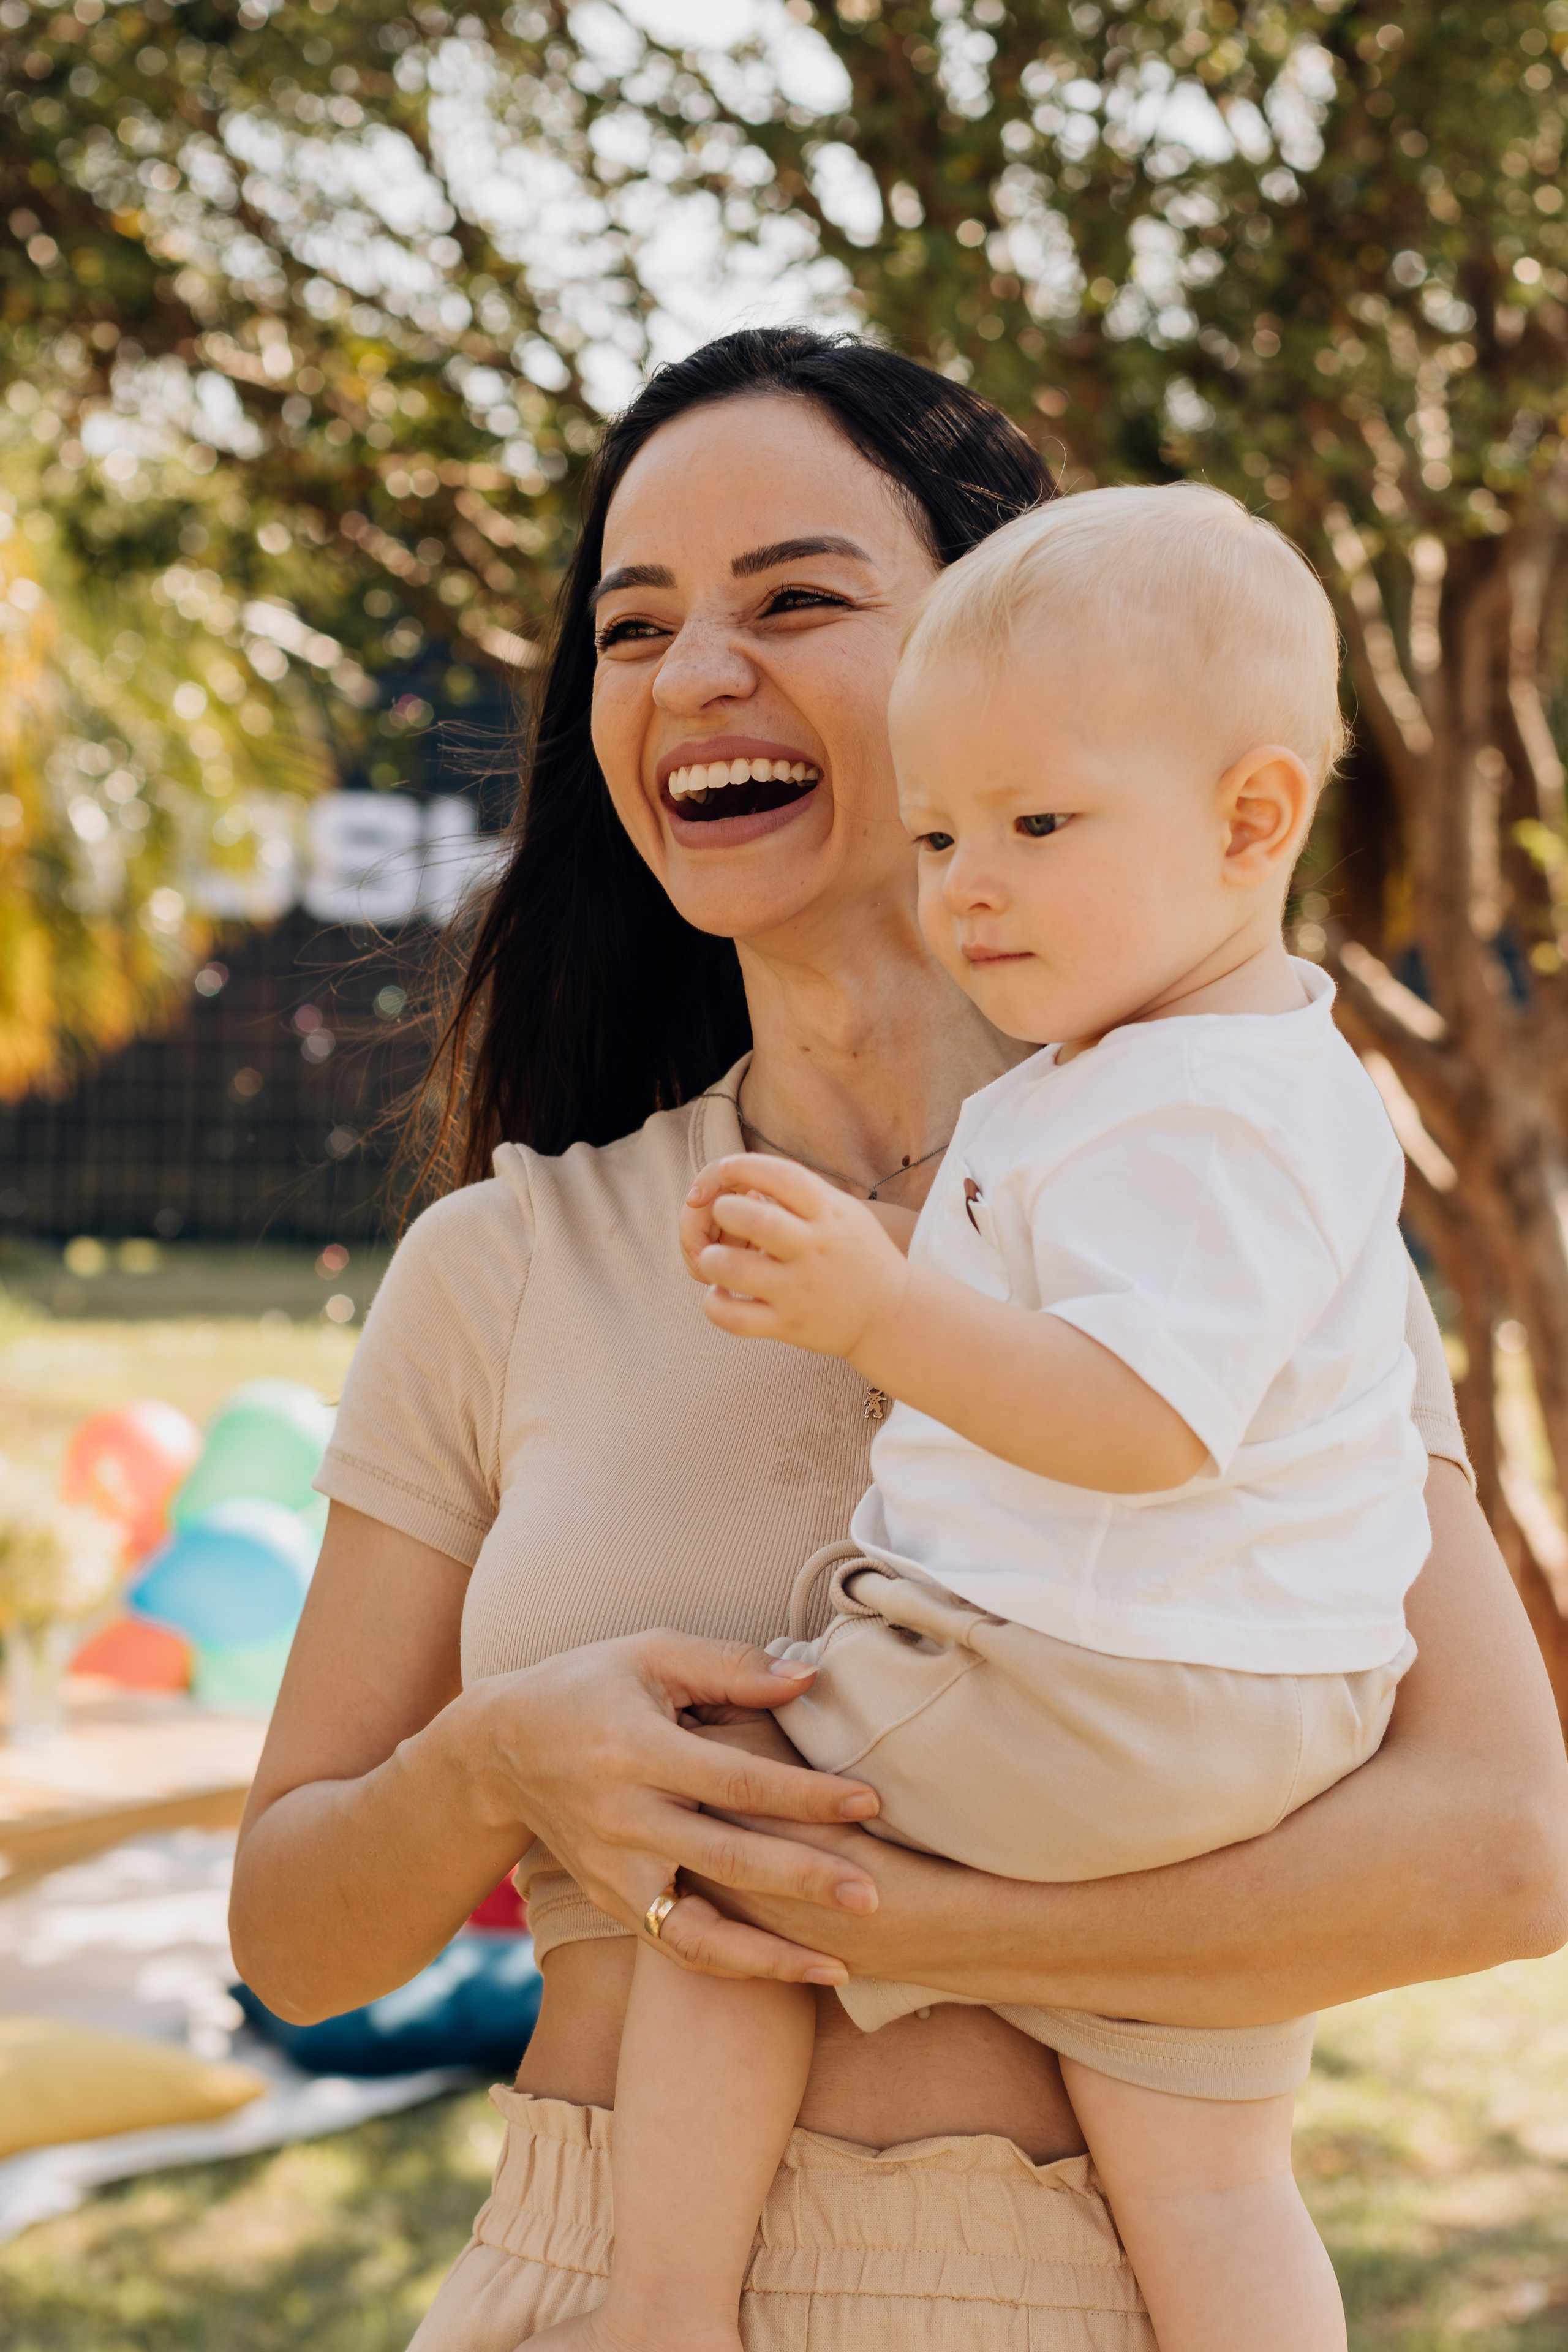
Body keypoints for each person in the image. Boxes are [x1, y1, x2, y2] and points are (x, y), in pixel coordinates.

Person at [228, 330, 1568, 2352]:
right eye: (634, 626)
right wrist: (499, 1764)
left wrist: (924, 1927)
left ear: (1014, 641)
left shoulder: (1228, 1212)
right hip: (598, 2294)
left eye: (795, 600)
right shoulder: (511, 1260)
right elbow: (294, 1938)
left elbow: (1499, 1854)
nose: (694, 680)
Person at [562, 483, 1425, 2352]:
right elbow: (1071, 1293)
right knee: (1207, 2167)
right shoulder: (1192, 1078)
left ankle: (659, 2310)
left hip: (1099, 1675)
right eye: (945, 828)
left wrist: (878, 1308)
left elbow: (1133, 1419)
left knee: (735, 1832)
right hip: (1252, 1723)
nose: (971, 882)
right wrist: (895, 1248)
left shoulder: (1199, 1103)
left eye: (1038, 825)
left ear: (1253, 819)